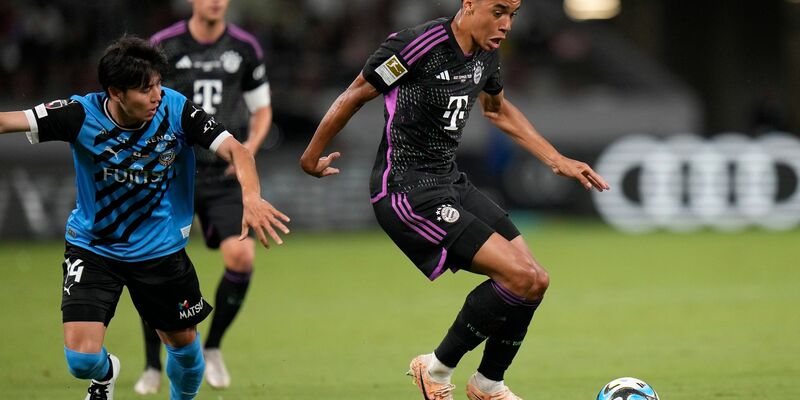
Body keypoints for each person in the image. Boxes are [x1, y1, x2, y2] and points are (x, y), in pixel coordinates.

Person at [300, 1, 609, 399]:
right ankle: (436, 369)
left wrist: (556, 159)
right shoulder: (416, 46)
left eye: (512, 14)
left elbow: (496, 111)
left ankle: (488, 384)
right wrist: (310, 157)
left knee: (535, 281)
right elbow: (356, 95)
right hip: (406, 190)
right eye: (498, 11)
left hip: (450, 183)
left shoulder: (486, 54)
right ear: (469, 4)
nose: (506, 25)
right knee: (517, 277)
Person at [0, 36, 289, 400]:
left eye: (157, 84)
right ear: (115, 93)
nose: (156, 95)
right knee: (80, 361)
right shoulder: (77, 114)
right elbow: (8, 120)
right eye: (145, 89)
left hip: (159, 252)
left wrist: (251, 197)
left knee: (185, 351)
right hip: (94, 248)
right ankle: (106, 376)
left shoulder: (176, 109)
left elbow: (237, 150)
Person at [135, 0, 274, 393]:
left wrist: (247, 147)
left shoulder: (245, 47)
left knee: (242, 257)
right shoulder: (163, 46)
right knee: (150, 264)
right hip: (169, 172)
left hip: (221, 173)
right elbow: (139, 100)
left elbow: (262, 110)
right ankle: (151, 365)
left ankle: (212, 346)